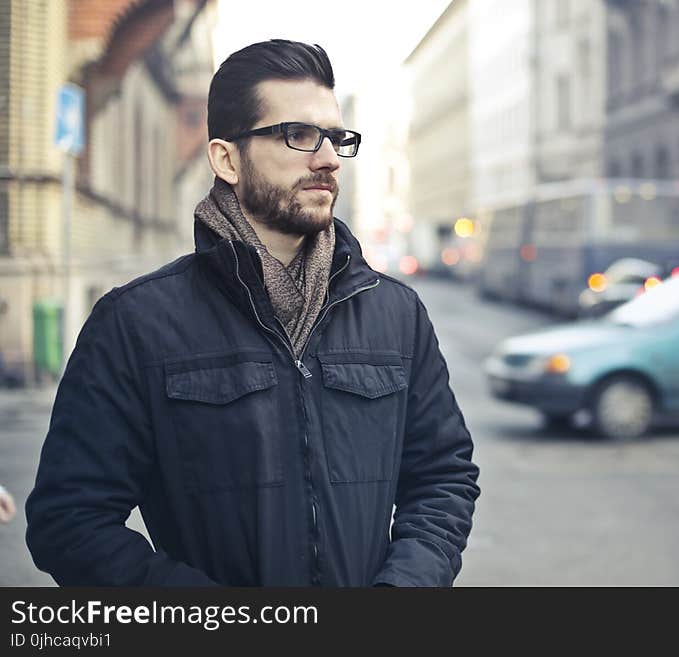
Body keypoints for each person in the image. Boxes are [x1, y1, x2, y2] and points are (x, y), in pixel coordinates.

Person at [26, 40, 480, 586]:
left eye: (336, 138)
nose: (329, 159)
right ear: (226, 159)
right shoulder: (135, 323)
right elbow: (69, 521)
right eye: (299, 135)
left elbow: (443, 477)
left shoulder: (396, 313)